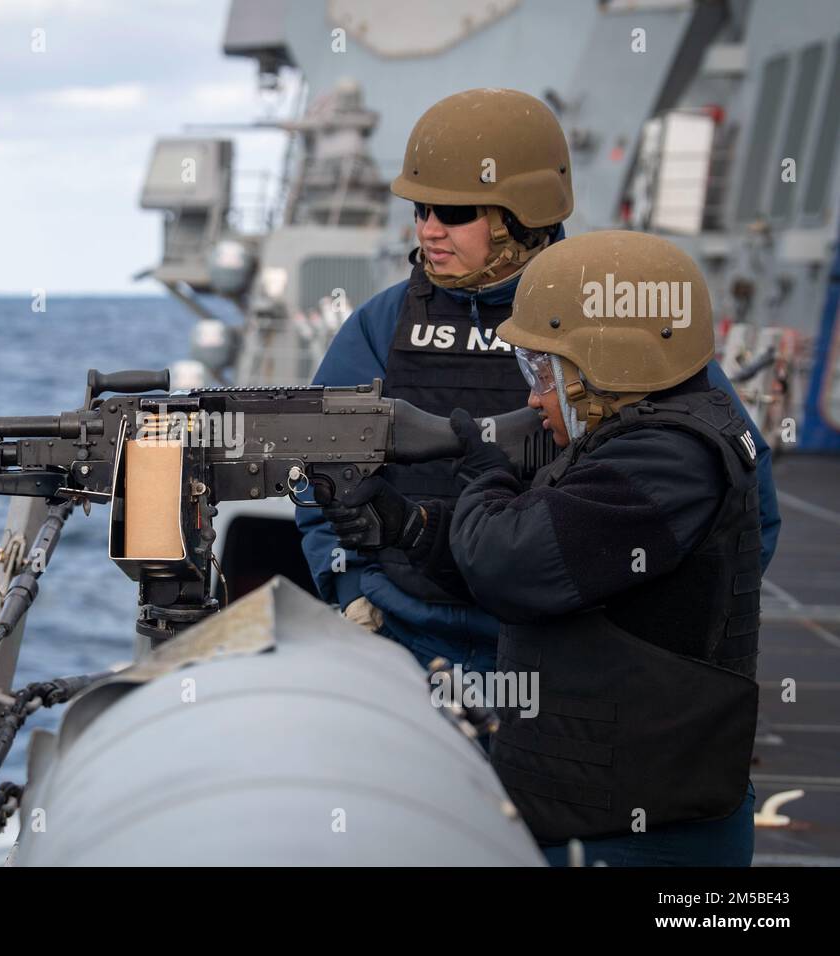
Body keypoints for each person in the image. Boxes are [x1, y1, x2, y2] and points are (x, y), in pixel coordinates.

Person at [297, 88, 780, 677]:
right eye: (420, 210)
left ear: (519, 217)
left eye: (453, 213)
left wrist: (642, 631)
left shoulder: (617, 316)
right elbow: (319, 470)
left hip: (563, 653)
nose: (429, 231)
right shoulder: (382, 323)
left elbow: (741, 502)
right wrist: (349, 585)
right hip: (408, 640)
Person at [368, 231, 762, 865]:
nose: (532, 396)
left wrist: (484, 469)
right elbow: (556, 550)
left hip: (646, 838)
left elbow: (512, 567)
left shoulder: (667, 460)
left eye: (545, 372)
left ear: (604, 365)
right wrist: (410, 526)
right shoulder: (642, 440)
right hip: (603, 811)